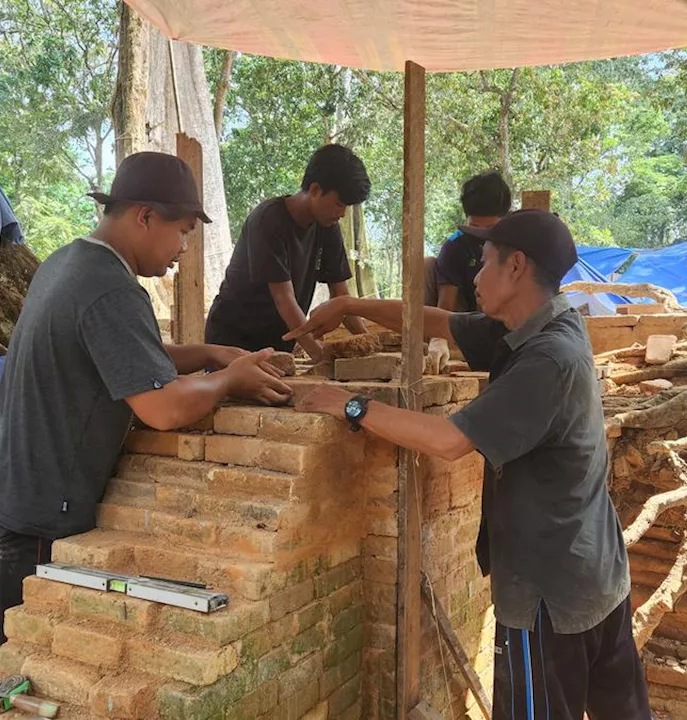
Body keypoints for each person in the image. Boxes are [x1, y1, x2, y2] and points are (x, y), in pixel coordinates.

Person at [286, 209, 649, 720]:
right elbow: (442, 324)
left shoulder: (546, 358)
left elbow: (449, 439)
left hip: (549, 593)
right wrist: (349, 303)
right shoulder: (542, 323)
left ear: (516, 267)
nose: (473, 277)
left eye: (484, 264)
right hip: (596, 573)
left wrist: (351, 405)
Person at [0, 152, 293, 690]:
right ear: (144, 216)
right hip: (39, 501)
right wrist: (232, 381)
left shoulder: (70, 260)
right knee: (28, 657)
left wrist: (209, 352)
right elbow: (161, 408)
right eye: (181, 232)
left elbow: (122, 356)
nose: (183, 249)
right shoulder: (111, 288)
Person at [205, 144, 371, 362]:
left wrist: (369, 346)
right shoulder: (268, 220)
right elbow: (284, 298)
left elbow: (342, 296)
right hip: (233, 341)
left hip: (278, 344)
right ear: (314, 190)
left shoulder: (328, 226)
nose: (342, 214)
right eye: (339, 204)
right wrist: (320, 356)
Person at [430, 171, 512, 312]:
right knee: (426, 265)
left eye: (490, 228)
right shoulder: (455, 245)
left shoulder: (517, 242)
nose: (481, 234)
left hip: (506, 312)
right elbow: (446, 306)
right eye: (474, 227)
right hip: (467, 315)